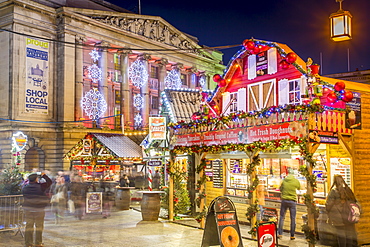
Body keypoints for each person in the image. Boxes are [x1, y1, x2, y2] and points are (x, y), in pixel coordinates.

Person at [326, 175, 358, 247]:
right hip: (349, 215)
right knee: (349, 235)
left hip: (338, 216)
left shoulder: (333, 192)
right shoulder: (348, 190)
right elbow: (354, 201)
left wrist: (328, 213)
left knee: (341, 236)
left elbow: (329, 204)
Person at [22, 172, 52, 247]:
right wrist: (43, 175)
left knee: (29, 226)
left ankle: (28, 243)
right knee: (39, 226)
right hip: (39, 209)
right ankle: (38, 243)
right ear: (36, 179)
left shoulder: (25, 187)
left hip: (28, 209)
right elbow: (49, 182)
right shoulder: (41, 186)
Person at [277, 173, 300, 240]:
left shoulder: (284, 181)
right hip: (292, 201)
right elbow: (299, 188)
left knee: (282, 217)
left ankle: (280, 234)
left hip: (284, 201)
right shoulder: (296, 181)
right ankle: (292, 235)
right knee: (293, 219)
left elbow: (280, 189)